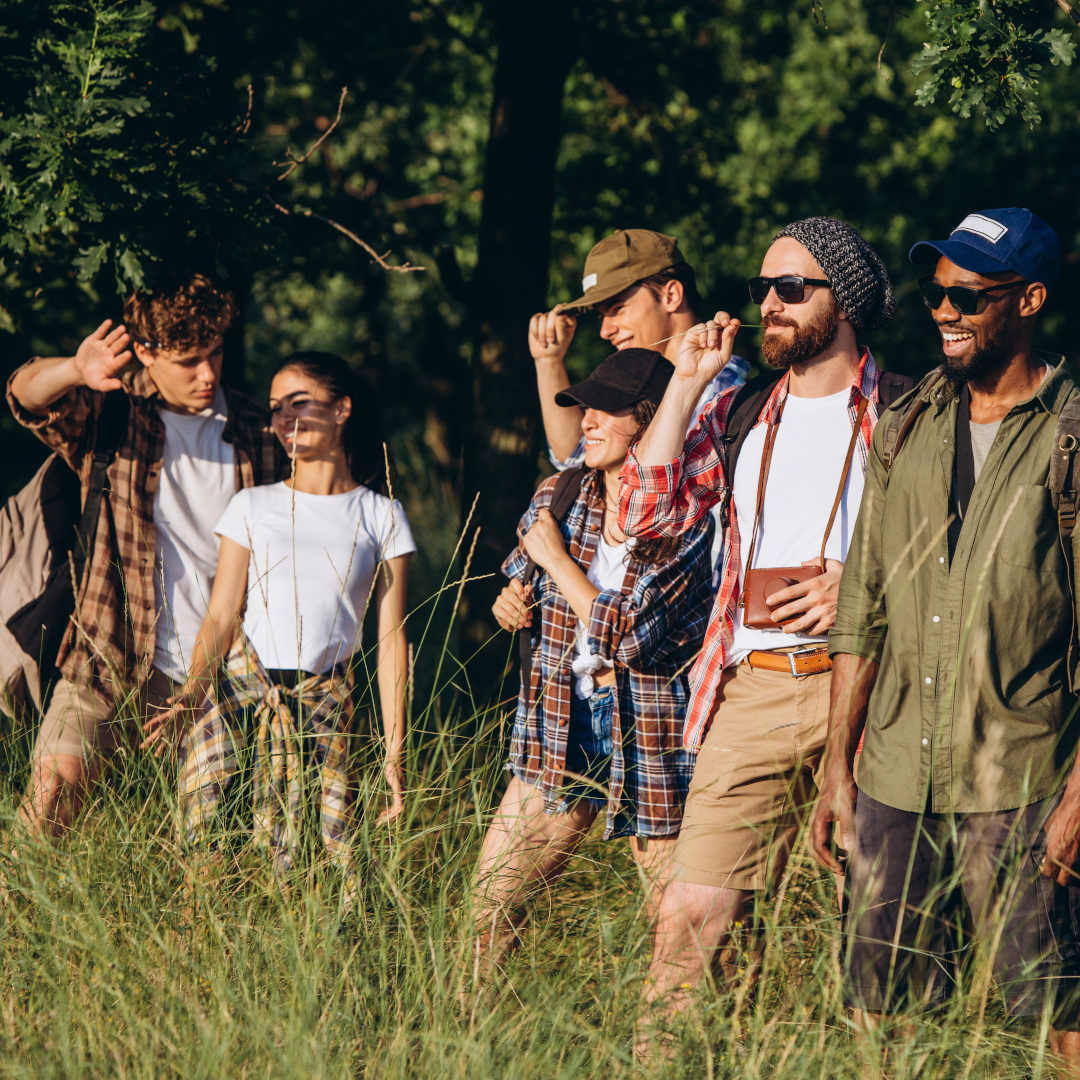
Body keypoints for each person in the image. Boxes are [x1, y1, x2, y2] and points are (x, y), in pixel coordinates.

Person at [618, 217, 904, 1040]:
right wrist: (683, 382)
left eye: (791, 289)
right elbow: (644, 515)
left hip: (873, 689)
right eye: (762, 290)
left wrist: (862, 583)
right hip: (754, 688)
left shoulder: (912, 411)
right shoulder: (740, 411)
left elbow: (955, 547)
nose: (769, 305)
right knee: (687, 921)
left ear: (843, 301)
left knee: (876, 948)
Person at [810, 208, 1080, 1068]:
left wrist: (1079, 799)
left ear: (1030, 299)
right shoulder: (908, 425)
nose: (945, 312)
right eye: (935, 294)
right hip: (893, 777)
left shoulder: (1072, 434)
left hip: (1024, 778)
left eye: (968, 294)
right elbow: (863, 608)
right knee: (882, 1020)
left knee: (1053, 1018)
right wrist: (835, 766)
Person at [6, 275, 282, 837]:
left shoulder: (259, 430)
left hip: (220, 674)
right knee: (48, 803)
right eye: (188, 361)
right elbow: (25, 396)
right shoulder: (113, 412)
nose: (208, 374)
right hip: (106, 658)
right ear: (148, 353)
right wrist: (72, 369)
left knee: (205, 856)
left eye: (216, 354)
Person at [471, 347, 714, 969]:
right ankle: (473, 1045)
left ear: (652, 421)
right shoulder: (564, 490)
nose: (588, 422)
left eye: (607, 410)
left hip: (652, 730)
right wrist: (511, 600)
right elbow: (519, 573)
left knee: (677, 926)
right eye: (586, 408)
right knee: (489, 906)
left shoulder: (689, 519)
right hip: (560, 714)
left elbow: (632, 639)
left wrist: (558, 563)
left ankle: (686, 1056)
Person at [142, 352, 413, 874]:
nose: (284, 418)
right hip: (240, 698)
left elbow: (393, 639)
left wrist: (393, 754)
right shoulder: (252, 505)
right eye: (275, 408)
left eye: (300, 403)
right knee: (210, 855)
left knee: (318, 865)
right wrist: (189, 696)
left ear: (342, 410)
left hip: (324, 705)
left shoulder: (382, 515)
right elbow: (221, 615)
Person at [530, 228, 749, 578]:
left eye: (617, 309)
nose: (605, 329)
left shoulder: (721, 400)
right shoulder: (643, 389)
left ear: (672, 295)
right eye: (601, 315)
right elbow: (578, 457)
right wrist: (549, 362)